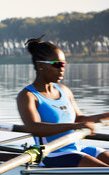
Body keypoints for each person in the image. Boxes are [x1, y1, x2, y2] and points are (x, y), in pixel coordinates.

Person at [17, 36, 109, 167]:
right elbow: (34, 128)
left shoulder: (64, 90)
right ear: (40, 65)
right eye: (57, 64)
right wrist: (75, 126)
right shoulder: (28, 96)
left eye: (64, 64)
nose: (62, 68)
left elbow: (80, 118)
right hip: (52, 155)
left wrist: (105, 116)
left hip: (77, 149)